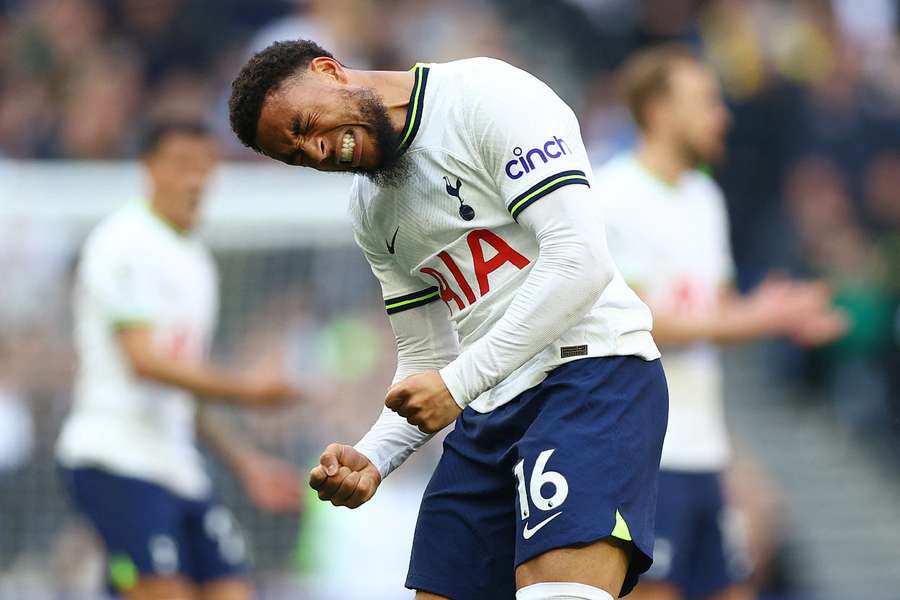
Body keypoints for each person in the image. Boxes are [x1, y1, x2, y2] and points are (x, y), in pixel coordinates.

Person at [228, 40, 668, 600]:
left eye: (305, 124)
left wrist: (458, 385)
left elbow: (579, 260)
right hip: (489, 409)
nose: (315, 150)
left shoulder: (485, 97)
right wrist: (374, 455)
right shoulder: (371, 211)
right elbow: (426, 360)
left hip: (591, 378)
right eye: (295, 154)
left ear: (329, 71)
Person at [593, 45, 846, 600]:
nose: (722, 116)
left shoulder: (705, 197)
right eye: (706, 102)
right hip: (643, 457)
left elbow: (718, 310)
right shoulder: (612, 197)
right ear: (658, 111)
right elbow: (636, 323)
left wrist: (778, 313)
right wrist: (759, 318)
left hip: (704, 451)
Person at [56, 121, 303, 600]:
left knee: (233, 591)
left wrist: (244, 462)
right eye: (182, 165)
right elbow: (144, 362)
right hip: (115, 457)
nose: (196, 180)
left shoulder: (197, 263)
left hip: (177, 465)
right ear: (149, 170)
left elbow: (185, 387)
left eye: (205, 166)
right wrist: (249, 390)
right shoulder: (121, 242)